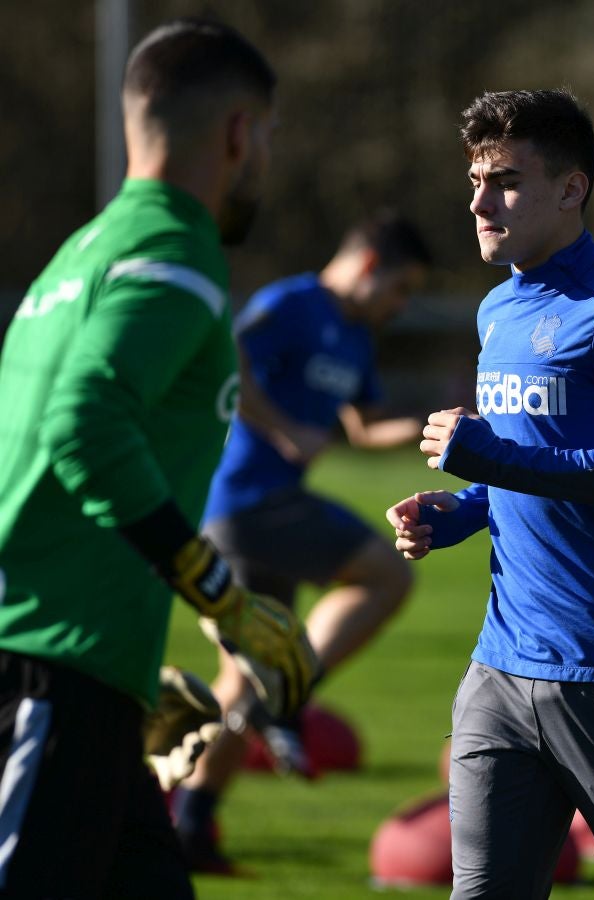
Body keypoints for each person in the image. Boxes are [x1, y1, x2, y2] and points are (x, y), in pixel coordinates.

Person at [0, 18, 316, 898]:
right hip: (46, 674)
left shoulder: (81, 254)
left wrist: (130, 688)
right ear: (239, 134)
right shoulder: (175, 258)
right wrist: (220, 597)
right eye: (270, 138)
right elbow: (84, 425)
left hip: (86, 681)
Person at [385, 89, 594, 899]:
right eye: (474, 179)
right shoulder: (497, 310)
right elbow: (521, 471)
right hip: (500, 669)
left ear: (572, 189)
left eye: (504, 180)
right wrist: (461, 512)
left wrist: (490, 458)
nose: (478, 202)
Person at [172, 211, 432, 870]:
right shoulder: (292, 303)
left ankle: (189, 828)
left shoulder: (354, 335)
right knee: (389, 574)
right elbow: (227, 361)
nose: (400, 307)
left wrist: (438, 428)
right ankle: (288, 691)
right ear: (370, 264)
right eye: (401, 289)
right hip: (247, 504)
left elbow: (365, 427)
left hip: (271, 514)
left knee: (241, 682)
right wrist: (285, 429)